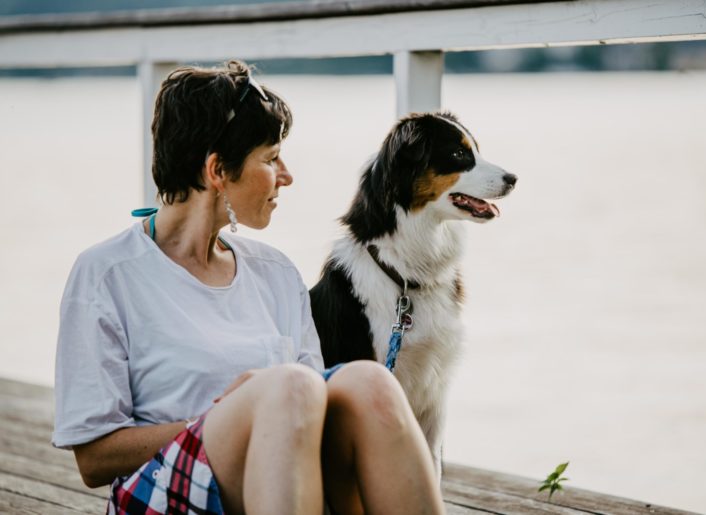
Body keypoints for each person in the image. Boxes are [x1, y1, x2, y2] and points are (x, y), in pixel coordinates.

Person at [52, 60, 445, 515]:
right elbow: (94, 458)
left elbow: (320, 412)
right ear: (218, 170)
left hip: (283, 484)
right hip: (164, 495)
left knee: (369, 380)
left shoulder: (275, 273)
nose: (286, 175)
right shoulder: (107, 274)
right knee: (291, 388)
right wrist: (239, 413)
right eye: (270, 157)